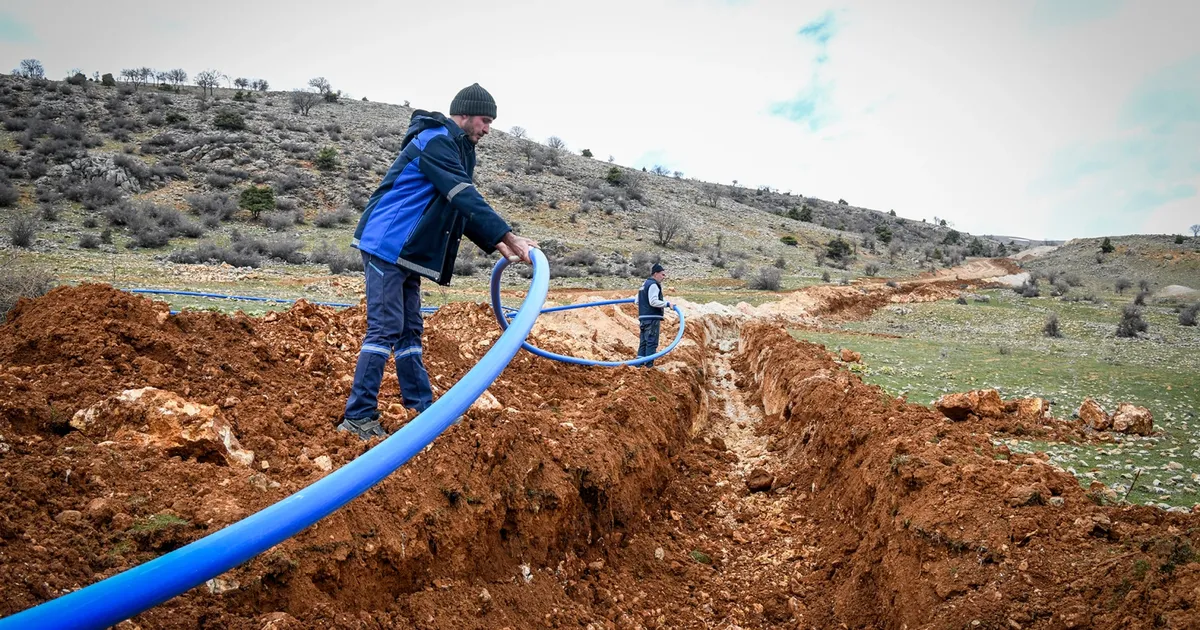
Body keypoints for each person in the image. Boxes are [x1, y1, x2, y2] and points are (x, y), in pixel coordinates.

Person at [339, 83, 538, 440]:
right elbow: (463, 194)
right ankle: (357, 417)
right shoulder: (435, 139)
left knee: (410, 330)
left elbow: (460, 208)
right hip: (386, 242)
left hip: (407, 250)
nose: (488, 129)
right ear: (463, 114)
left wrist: (499, 243)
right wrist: (508, 235)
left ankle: (420, 406)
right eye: (484, 120)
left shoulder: (461, 150)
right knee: (385, 328)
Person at [636, 263, 672, 367]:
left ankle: (639, 366)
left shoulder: (644, 285)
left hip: (643, 318)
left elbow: (636, 301)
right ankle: (649, 368)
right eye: (662, 274)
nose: (664, 277)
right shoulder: (653, 285)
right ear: (655, 274)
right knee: (651, 342)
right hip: (652, 318)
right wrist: (667, 304)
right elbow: (653, 301)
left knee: (643, 343)